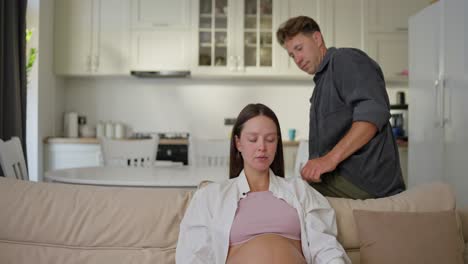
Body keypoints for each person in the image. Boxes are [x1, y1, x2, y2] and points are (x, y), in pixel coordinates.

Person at [176, 103, 350, 264]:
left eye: (270, 139)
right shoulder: (210, 196)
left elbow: (325, 247)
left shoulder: (300, 191)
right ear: (238, 143)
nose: (262, 147)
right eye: (253, 139)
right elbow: (194, 255)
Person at [276, 16, 406, 199]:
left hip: (366, 183)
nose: (297, 59)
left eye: (299, 48)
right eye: (292, 55)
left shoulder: (344, 60)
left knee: (288, 197)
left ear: (317, 38)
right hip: (342, 180)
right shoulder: (321, 84)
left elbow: (373, 112)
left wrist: (328, 160)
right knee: (283, 192)